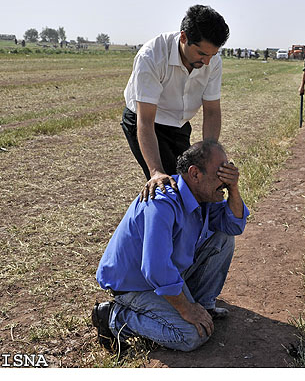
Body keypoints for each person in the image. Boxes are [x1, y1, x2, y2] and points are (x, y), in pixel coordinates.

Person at [93, 140, 249, 352]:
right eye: (220, 173)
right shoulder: (162, 202)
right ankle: (115, 316)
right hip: (135, 285)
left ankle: (204, 307)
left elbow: (233, 225)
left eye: (229, 171)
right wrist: (185, 309)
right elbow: (155, 269)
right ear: (195, 174)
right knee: (190, 335)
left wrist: (233, 188)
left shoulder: (203, 196)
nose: (225, 179)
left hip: (162, 276)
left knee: (223, 236)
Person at [121, 5, 230, 202]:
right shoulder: (152, 56)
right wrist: (156, 172)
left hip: (178, 125)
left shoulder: (213, 62)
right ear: (183, 38)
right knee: (168, 188)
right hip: (145, 122)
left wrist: (210, 158)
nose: (206, 62)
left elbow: (212, 112)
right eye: (201, 54)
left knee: (194, 181)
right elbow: (145, 121)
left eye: (211, 55)